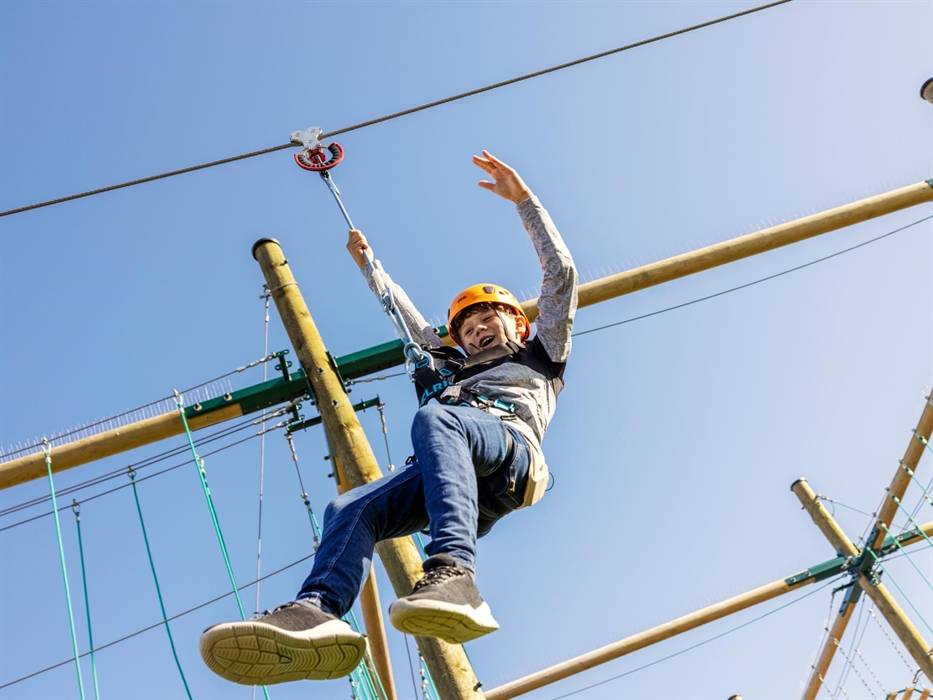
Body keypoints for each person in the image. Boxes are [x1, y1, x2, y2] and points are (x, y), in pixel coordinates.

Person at [199, 151, 578, 686]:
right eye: (466, 328)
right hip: (454, 473)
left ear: (518, 323)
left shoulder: (541, 354)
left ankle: (455, 572)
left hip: (511, 456)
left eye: (488, 319)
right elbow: (405, 318)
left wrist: (525, 203)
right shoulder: (446, 368)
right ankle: (319, 610)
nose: (477, 331)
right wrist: (369, 266)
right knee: (350, 508)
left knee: (436, 420)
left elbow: (562, 276)